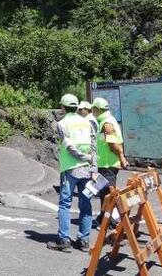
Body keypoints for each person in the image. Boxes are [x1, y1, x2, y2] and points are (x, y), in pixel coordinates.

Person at [47, 93, 96, 253]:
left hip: (70, 169)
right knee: (86, 202)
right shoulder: (87, 122)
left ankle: (64, 239)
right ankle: (83, 240)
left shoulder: (62, 124)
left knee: (65, 203)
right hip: (87, 169)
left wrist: (84, 157)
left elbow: (69, 147)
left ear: (63, 107)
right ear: (76, 107)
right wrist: (92, 164)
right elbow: (93, 145)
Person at [92, 97, 129, 226]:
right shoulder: (107, 120)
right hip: (105, 164)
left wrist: (121, 156)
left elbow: (112, 143)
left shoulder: (107, 123)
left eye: (94, 109)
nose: (93, 111)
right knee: (104, 193)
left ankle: (113, 222)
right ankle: (103, 219)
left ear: (97, 109)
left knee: (109, 194)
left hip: (108, 165)